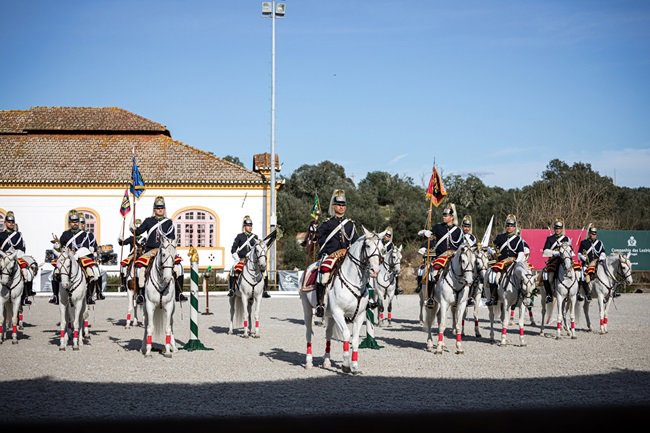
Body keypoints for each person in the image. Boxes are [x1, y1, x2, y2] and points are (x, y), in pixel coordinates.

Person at [123, 196, 186, 302]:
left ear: (164, 209)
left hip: (164, 250)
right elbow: (138, 232)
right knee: (140, 268)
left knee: (179, 267)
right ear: (154, 209)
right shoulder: (148, 221)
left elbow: (171, 238)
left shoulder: (168, 222)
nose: (160, 209)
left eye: (162, 207)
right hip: (150, 250)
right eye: (157, 207)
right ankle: (141, 294)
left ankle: (178, 293)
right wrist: (132, 228)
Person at [313, 189, 358, 317]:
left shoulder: (350, 224)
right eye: (339, 205)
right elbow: (319, 239)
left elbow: (355, 241)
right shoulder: (328, 223)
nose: (341, 207)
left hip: (346, 256)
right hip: (331, 255)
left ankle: (365, 301)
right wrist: (315, 232)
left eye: (343, 205)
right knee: (323, 274)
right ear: (334, 206)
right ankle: (320, 304)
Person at [417, 203, 463, 307]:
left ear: (451, 217)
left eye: (446, 215)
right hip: (441, 257)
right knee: (430, 274)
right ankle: (430, 297)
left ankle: (466, 297)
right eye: (443, 215)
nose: (444, 217)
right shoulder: (438, 227)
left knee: (466, 272)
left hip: (454, 257)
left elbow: (461, 245)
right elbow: (427, 234)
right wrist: (425, 232)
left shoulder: (458, 231)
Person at [53, 210, 101, 305]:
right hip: (69, 258)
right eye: (72, 222)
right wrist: (57, 246)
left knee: (93, 272)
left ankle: (90, 296)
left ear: (79, 222)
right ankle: (55, 296)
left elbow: (91, 247)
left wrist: (92, 251)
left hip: (82, 258)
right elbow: (61, 248)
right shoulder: (65, 234)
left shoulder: (86, 234)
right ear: (70, 223)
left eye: (76, 221)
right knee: (55, 272)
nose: (75, 223)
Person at [485, 214, 526, 306]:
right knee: (492, 275)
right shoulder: (500, 237)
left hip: (514, 263)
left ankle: (523, 296)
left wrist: (517, 262)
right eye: (507, 225)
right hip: (501, 263)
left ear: (514, 227)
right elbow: (493, 247)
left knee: (524, 276)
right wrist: (491, 250)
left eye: (511, 226)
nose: (509, 227)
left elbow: (521, 252)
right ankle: (493, 297)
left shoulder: (518, 239)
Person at [0, 211, 36, 305]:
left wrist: (16, 255)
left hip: (16, 257)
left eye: (12, 222)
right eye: (9, 222)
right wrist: (4, 255)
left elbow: (22, 248)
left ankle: (25, 296)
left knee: (26, 273)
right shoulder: (1, 235)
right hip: (3, 258)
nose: (11, 224)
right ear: (5, 223)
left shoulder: (18, 235)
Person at [229, 215, 269, 298]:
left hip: (253, 260)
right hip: (242, 259)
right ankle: (232, 289)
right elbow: (233, 249)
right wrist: (237, 259)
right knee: (233, 269)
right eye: (248, 226)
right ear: (244, 226)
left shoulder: (255, 237)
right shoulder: (239, 236)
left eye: (251, 226)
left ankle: (265, 290)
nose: (250, 227)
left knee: (264, 271)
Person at [542, 218, 571, 304]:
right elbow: (545, 251)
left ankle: (575, 293)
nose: (557, 230)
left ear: (562, 229)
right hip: (553, 261)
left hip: (564, 261)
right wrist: (556, 253)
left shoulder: (566, 238)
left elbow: (571, 251)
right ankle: (549, 295)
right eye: (556, 228)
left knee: (576, 273)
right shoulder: (550, 239)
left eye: (559, 228)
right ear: (554, 229)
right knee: (546, 276)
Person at [117, 218, 146, 304]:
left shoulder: (144, 238)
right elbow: (122, 243)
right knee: (123, 266)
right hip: (132, 255)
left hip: (141, 256)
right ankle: (123, 284)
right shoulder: (131, 238)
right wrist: (120, 240)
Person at [79, 213, 105, 301]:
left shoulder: (89, 235)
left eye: (83, 223)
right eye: (80, 223)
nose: (82, 225)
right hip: (75, 258)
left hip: (87, 258)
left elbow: (95, 246)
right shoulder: (70, 234)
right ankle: (56, 295)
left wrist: (93, 248)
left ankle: (97, 293)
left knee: (97, 272)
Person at [578, 226, 608, 301]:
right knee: (582, 275)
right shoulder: (584, 242)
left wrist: (601, 257)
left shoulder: (599, 243)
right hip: (587, 264)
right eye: (591, 234)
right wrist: (583, 257)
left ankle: (610, 292)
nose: (593, 235)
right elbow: (579, 253)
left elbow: (603, 252)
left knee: (608, 273)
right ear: (589, 234)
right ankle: (587, 293)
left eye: (594, 234)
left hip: (597, 264)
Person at [381, 226, 402, 295]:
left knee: (396, 274)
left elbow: (393, 254)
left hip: (388, 262)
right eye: (385, 235)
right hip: (380, 260)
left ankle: (396, 287)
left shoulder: (391, 245)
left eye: (388, 236)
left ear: (390, 237)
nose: (386, 237)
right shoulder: (381, 243)